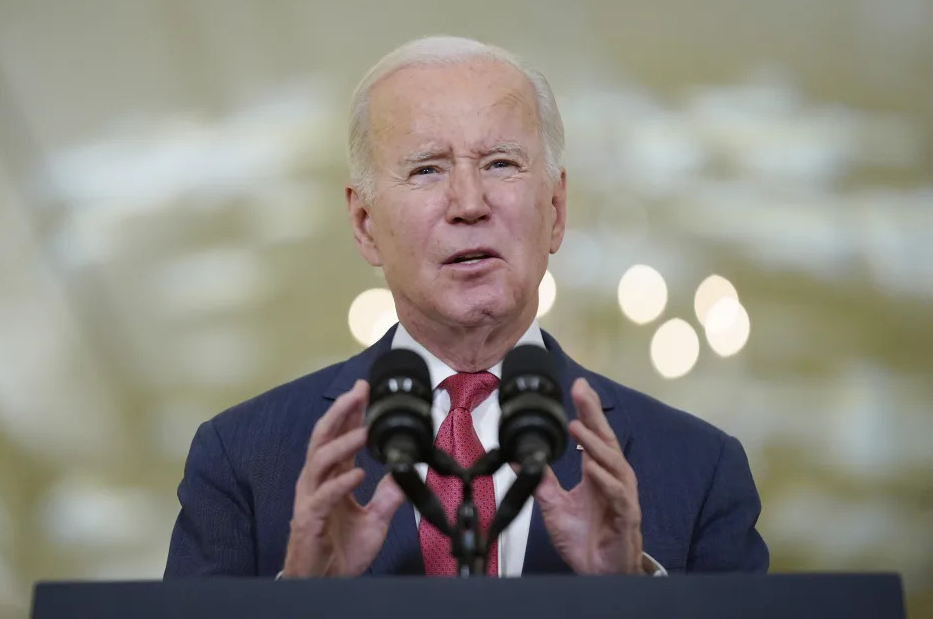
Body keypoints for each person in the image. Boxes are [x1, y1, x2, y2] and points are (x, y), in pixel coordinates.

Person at [164, 36, 769, 579]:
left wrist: (630, 596)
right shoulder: (242, 460)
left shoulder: (700, 467)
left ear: (555, 210)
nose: (469, 203)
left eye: (500, 164)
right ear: (365, 223)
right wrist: (299, 602)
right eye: (427, 170)